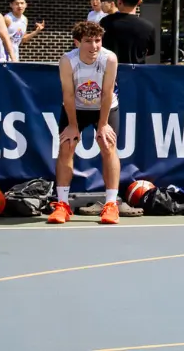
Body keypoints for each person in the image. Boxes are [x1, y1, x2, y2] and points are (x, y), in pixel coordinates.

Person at [47, 21, 122, 225]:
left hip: (104, 107)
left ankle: (111, 204)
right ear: (77, 42)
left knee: (107, 145)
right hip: (76, 108)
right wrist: (72, 125)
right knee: (67, 145)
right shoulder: (67, 61)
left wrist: (103, 124)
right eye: (88, 41)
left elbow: (107, 93)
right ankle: (62, 204)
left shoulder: (110, 59)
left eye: (97, 41)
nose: (94, 46)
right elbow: (68, 95)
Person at [101, 0, 158, 65]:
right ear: (139, 1)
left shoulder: (105, 22)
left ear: (119, 1)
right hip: (137, 73)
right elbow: (150, 52)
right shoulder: (148, 27)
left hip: (111, 73)